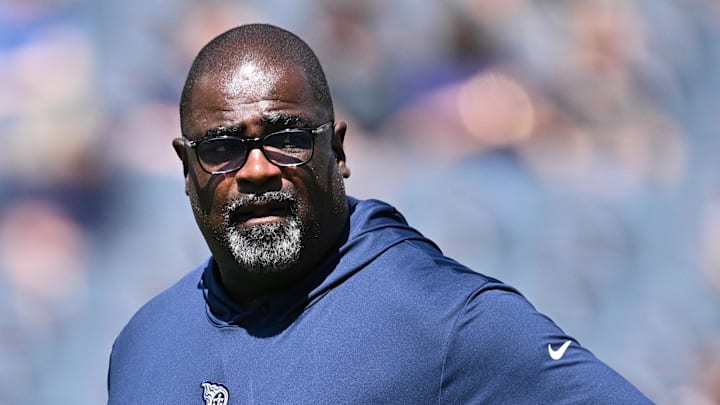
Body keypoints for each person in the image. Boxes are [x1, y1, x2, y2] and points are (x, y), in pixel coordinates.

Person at [107, 23, 652, 404]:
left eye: (288, 138)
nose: (256, 170)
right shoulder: (143, 345)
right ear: (186, 168)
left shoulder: (444, 319)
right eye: (221, 148)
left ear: (338, 153)